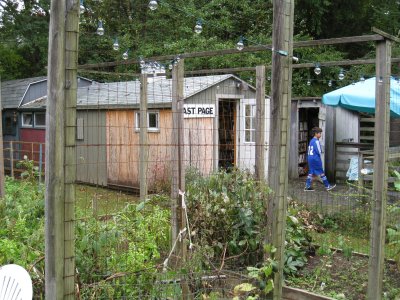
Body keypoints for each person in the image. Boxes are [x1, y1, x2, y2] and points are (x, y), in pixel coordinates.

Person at [304, 127, 336, 191]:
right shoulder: (316, 141)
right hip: (315, 159)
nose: (320, 135)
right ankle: (327, 186)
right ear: (316, 134)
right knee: (321, 172)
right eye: (319, 133)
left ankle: (307, 186)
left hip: (310, 158)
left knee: (311, 172)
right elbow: (319, 151)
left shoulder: (311, 141)